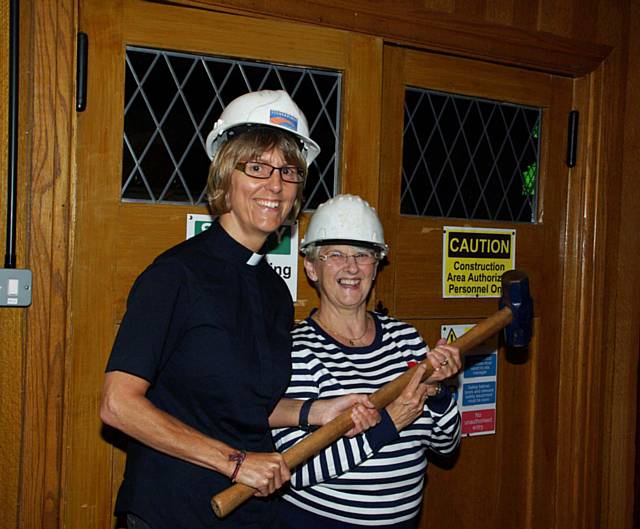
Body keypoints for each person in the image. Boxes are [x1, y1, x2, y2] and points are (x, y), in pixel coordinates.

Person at [100, 91, 379, 529]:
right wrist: (234, 462)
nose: (275, 185)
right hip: (171, 511)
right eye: (257, 168)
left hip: (248, 514)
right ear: (226, 175)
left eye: (288, 172)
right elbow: (118, 405)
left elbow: (250, 405)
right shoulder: (175, 275)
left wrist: (317, 411)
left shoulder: (273, 290)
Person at [273, 194, 463, 529]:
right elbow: (297, 469)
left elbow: (447, 444)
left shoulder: (405, 340)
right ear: (311, 267)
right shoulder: (295, 349)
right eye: (336, 255)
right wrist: (390, 423)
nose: (351, 267)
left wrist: (439, 394)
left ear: (376, 266)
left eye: (363, 255)